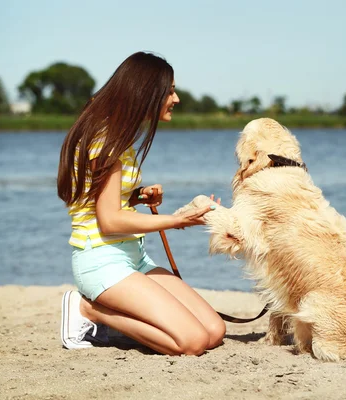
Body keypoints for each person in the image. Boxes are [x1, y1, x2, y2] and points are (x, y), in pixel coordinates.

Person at [57, 51, 226, 356]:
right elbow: (109, 221)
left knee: (214, 331)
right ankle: (89, 311)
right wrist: (178, 220)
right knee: (191, 342)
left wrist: (136, 195)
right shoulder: (106, 142)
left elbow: (97, 199)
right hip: (101, 261)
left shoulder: (118, 138)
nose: (175, 98)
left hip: (132, 257)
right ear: (147, 92)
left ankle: (112, 318)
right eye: (170, 90)